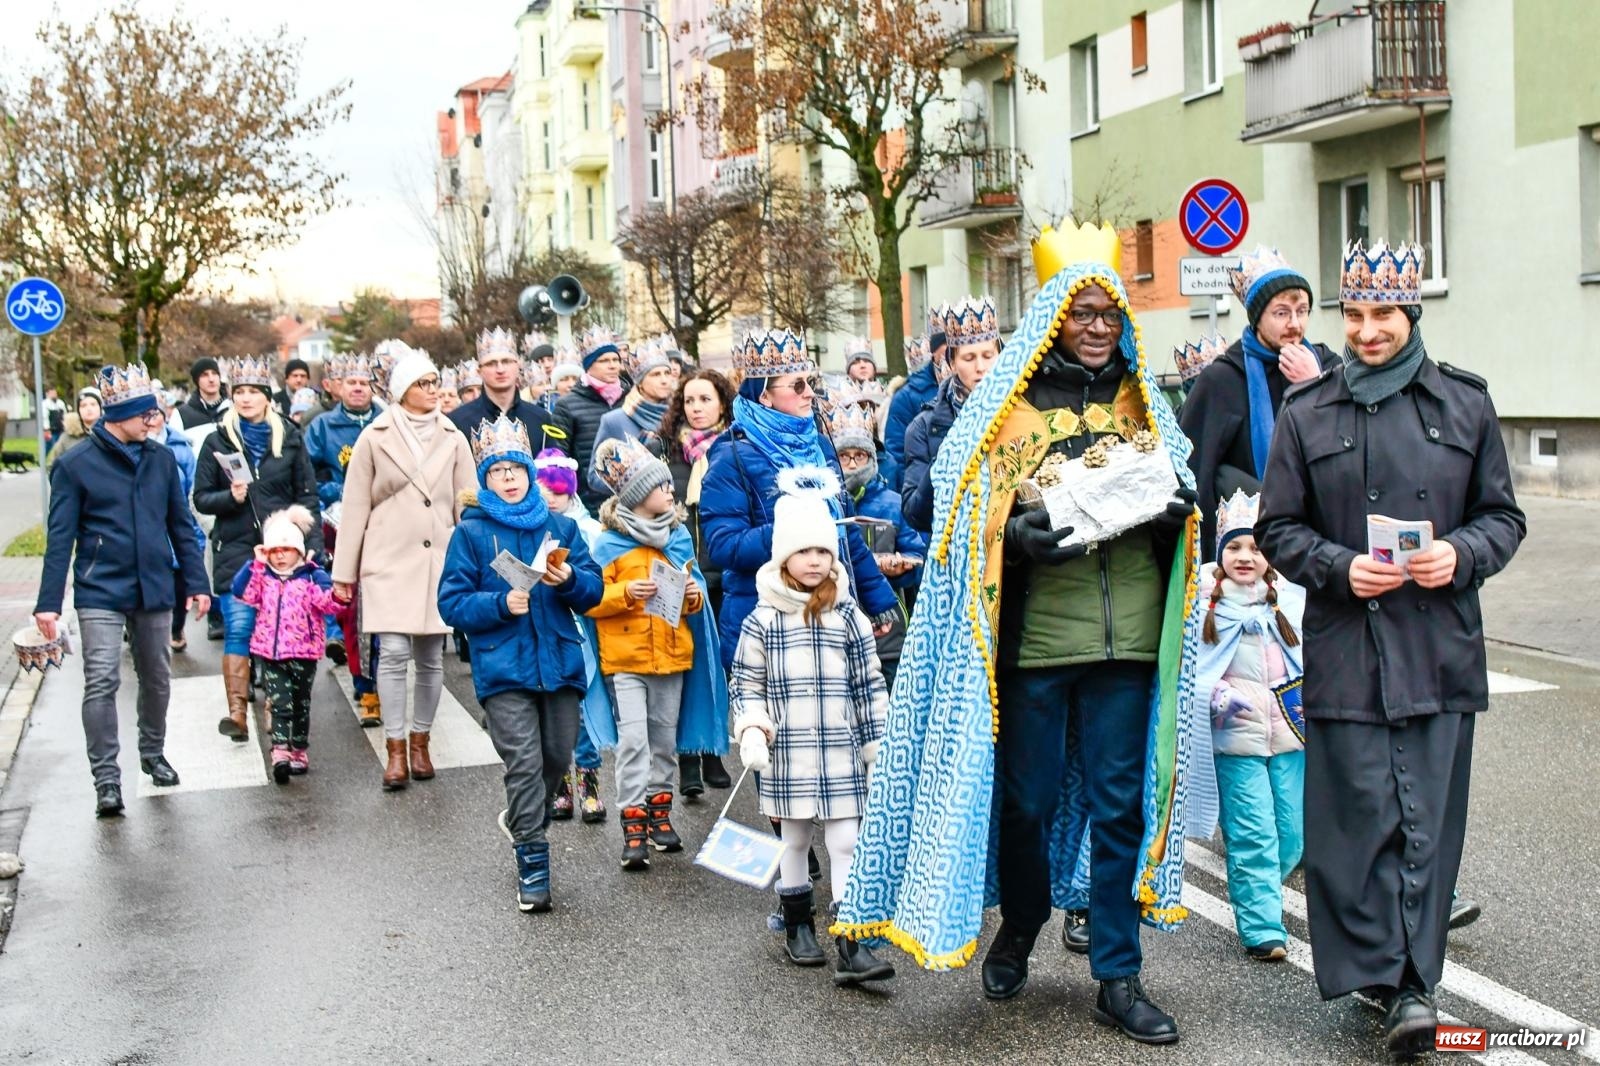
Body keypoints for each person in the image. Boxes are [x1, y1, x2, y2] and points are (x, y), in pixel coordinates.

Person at [835, 224, 1202, 1047]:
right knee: (1027, 804)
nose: (1098, 326)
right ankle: (1024, 922)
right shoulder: (1005, 408)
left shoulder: (1147, 402)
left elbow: (1185, 492)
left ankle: (1118, 973)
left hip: (1129, 642)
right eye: (1083, 312)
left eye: (1110, 313)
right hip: (1035, 645)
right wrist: (1013, 537)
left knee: (1119, 807)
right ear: (1054, 317)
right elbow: (957, 514)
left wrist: (1178, 513)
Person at [1256, 239, 1525, 1057]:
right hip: (1348, 646)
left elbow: (1502, 517)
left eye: (1384, 314)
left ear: (1411, 312)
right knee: (1357, 821)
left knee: (1426, 825)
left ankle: (1412, 984)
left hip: (1439, 648)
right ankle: (1380, 968)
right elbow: (1277, 528)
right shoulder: (1307, 411)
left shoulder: (1466, 404)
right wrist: (1338, 567)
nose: (1368, 330)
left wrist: (1461, 554)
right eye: (1356, 314)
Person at [437, 414, 603, 912]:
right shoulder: (470, 534)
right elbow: (451, 603)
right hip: (503, 667)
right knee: (525, 763)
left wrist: (570, 580)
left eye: (515, 469)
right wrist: (498, 604)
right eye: (497, 471)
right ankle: (533, 865)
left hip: (559, 662)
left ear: (529, 472)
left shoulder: (562, 526)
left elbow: (593, 592)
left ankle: (520, 817)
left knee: (556, 757)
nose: (508, 478)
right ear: (485, 479)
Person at [730, 482, 894, 985]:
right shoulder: (762, 620)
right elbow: (746, 684)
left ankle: (851, 942)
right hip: (789, 753)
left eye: (823, 551)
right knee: (795, 840)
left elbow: (869, 684)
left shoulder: (848, 616)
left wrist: (877, 745)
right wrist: (752, 727)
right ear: (784, 557)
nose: (816, 560)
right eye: (804, 551)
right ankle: (798, 925)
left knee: (847, 841)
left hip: (840, 751)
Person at [34, 363, 210, 817]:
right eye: (146, 414)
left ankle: (153, 753)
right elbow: (60, 538)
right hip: (100, 587)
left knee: (156, 675)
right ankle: (107, 780)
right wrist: (48, 604)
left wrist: (196, 581)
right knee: (102, 679)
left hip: (154, 584)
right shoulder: (74, 465)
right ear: (119, 416)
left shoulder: (161, 460)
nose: (154, 421)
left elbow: (181, 525)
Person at [700, 329, 900, 677]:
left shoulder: (819, 446)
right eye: (797, 385)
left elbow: (844, 532)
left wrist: (878, 599)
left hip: (830, 614)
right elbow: (723, 545)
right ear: (764, 395)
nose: (809, 392)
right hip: (768, 625)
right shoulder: (731, 456)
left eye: (810, 381)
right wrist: (793, 531)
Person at [333, 350, 476, 790]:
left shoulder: (453, 436)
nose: (433, 391)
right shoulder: (374, 436)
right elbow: (354, 505)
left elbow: (468, 503)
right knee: (393, 652)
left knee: (431, 656)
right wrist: (344, 573)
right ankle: (394, 748)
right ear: (401, 391)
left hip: (438, 558)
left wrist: (474, 561)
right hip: (387, 556)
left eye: (435, 382)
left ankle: (420, 741)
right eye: (423, 384)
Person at [587, 437, 723, 871]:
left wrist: (693, 596)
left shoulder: (678, 536)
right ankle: (633, 822)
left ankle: (659, 813)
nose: (670, 490)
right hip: (624, 660)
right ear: (636, 495)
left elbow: (694, 590)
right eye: (660, 486)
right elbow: (590, 599)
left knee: (663, 741)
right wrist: (626, 593)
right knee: (633, 742)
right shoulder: (608, 544)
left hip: (672, 655)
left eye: (668, 484)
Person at [1194, 490, 1305, 963]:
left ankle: (1260, 891)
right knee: (1252, 832)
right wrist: (1217, 696)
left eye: (1256, 548)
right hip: (1236, 742)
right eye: (1235, 547)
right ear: (1220, 553)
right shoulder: (1206, 607)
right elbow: (1192, 670)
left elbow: (1306, 663)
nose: (1245, 557)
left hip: (1289, 739)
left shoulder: (1288, 602)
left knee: (1291, 833)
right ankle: (1262, 928)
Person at [194, 356, 323, 741]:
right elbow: (200, 498)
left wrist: (312, 544)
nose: (246, 398)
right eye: (240, 392)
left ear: (267, 396)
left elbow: (307, 495)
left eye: (253, 391)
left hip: (280, 551)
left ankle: (273, 708)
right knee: (238, 628)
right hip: (235, 549)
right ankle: (237, 713)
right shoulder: (217, 440)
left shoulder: (289, 437)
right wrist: (229, 497)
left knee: (275, 630)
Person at [1179, 247, 1333, 560]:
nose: (1295, 324)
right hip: (1245, 554)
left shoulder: (1329, 366)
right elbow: (1195, 476)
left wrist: (1316, 385)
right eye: (1281, 313)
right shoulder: (1222, 380)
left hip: (1320, 541)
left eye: (1302, 311)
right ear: (1257, 317)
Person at [651, 368, 736, 795]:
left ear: (723, 404)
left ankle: (713, 750)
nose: (697, 408)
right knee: (682, 664)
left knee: (717, 668)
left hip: (723, 573)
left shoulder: (734, 449)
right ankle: (687, 759)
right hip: (679, 573)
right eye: (689, 401)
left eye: (706, 399)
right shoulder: (665, 454)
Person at [233, 506, 343, 783]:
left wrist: (339, 596)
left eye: (286, 549)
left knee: (300, 704)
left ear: (298, 551)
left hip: (304, 653)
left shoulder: (311, 576)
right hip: (271, 655)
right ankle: (280, 752)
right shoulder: (263, 577)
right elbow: (243, 592)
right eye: (275, 550)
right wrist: (256, 563)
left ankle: (299, 750)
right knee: (280, 703)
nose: (280, 556)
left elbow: (328, 603)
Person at [303, 353, 385, 723]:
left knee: (387, 610)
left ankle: (385, 676)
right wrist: (340, 490)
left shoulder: (388, 421)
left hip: (386, 523)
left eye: (364, 382)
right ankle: (365, 684)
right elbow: (309, 475)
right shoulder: (322, 427)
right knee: (353, 609)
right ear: (338, 387)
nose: (358, 388)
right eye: (351, 382)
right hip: (342, 523)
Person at [532, 448, 610, 824]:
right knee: (556, 713)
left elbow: (598, 582)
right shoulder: (532, 529)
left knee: (585, 709)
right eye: (543, 489)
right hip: (549, 632)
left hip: (586, 632)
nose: (550, 497)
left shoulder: (589, 530)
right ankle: (561, 788)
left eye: (557, 490)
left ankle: (589, 788)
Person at [828, 401, 925, 694]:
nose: (852, 464)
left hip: (889, 628)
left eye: (859, 455)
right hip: (836, 624)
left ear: (872, 457)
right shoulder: (826, 505)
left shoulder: (893, 504)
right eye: (844, 456)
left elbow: (917, 554)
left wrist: (901, 567)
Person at [902, 299, 1002, 534]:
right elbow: (915, 514)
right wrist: (943, 460)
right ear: (952, 363)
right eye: (969, 358)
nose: (981, 367)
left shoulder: (1024, 409)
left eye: (988, 355)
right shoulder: (924, 427)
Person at [150, 389, 207, 652]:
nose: (151, 420)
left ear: (165, 416)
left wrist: (196, 525)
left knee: (179, 584)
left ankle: (176, 626)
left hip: (178, 523)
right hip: (151, 528)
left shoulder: (181, 448)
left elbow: (193, 488)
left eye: (156, 414)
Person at [449, 329, 560, 455]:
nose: (500, 369)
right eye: (491, 364)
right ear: (480, 372)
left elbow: (553, 464)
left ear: (517, 366)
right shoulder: (457, 421)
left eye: (506, 361)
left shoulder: (540, 418)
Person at [587, 343, 676, 499]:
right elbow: (595, 476)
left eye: (667, 373)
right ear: (640, 382)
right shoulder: (615, 420)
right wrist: (636, 481)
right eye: (655, 374)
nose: (664, 380)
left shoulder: (681, 414)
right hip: (639, 508)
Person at [554, 327, 627, 513]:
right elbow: (560, 456)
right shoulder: (567, 405)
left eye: (615, 360)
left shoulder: (631, 399)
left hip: (632, 498)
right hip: (591, 504)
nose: (612, 365)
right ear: (589, 365)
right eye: (604, 361)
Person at [882, 309, 948, 493]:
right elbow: (896, 453)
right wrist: (914, 496)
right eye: (947, 347)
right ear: (934, 351)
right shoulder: (906, 396)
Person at [45, 388, 102, 471]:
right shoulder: (67, 438)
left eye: (93, 404)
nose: (89, 408)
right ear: (78, 410)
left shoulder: (110, 434)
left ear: (100, 407)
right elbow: (54, 466)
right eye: (83, 405)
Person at [175, 356, 231, 432]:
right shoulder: (181, 414)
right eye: (205, 375)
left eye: (214, 373)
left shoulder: (234, 408)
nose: (211, 379)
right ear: (196, 381)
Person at [43, 386, 66, 456]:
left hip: (61, 429)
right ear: (47, 394)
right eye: (52, 393)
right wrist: (46, 429)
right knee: (50, 446)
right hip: (51, 430)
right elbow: (45, 417)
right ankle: (42, 459)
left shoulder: (60, 403)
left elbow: (64, 414)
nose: (54, 395)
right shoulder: (45, 404)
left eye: (55, 393)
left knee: (60, 446)